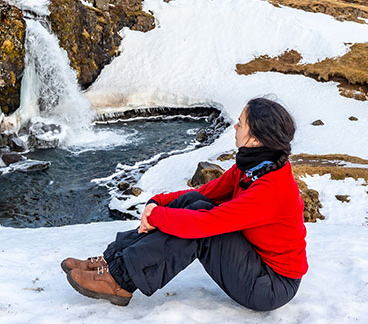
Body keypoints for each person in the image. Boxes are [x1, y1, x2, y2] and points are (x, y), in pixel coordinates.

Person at [62, 97, 307, 311]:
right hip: (255, 263)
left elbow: (207, 223)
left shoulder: (271, 190)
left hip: (270, 286)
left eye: (241, 123)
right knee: (195, 201)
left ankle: (120, 280)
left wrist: (157, 216)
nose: (235, 126)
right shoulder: (254, 168)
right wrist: (158, 203)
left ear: (254, 139)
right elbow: (205, 192)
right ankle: (114, 260)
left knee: (202, 228)